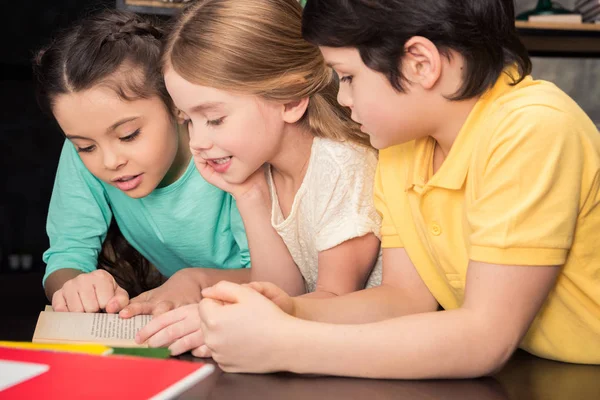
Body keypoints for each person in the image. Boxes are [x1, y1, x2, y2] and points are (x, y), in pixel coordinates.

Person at [188, 0, 600, 377]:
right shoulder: (404, 147)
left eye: (347, 77)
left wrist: (285, 344)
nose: (342, 98)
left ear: (420, 63)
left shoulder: (531, 128)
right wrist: (291, 310)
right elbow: (404, 298)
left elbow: (484, 337)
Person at [135, 0, 383, 356]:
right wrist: (248, 195)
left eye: (215, 119)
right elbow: (284, 289)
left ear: (289, 100)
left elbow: (335, 302)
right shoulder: (263, 167)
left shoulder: (340, 167)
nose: (198, 142)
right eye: (188, 120)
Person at [33, 9, 251, 314]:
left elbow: (283, 279)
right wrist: (76, 286)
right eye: (85, 146)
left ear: (177, 106)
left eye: (128, 135)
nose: (109, 161)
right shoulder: (83, 150)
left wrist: (195, 282)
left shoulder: (227, 153)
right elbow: (68, 255)